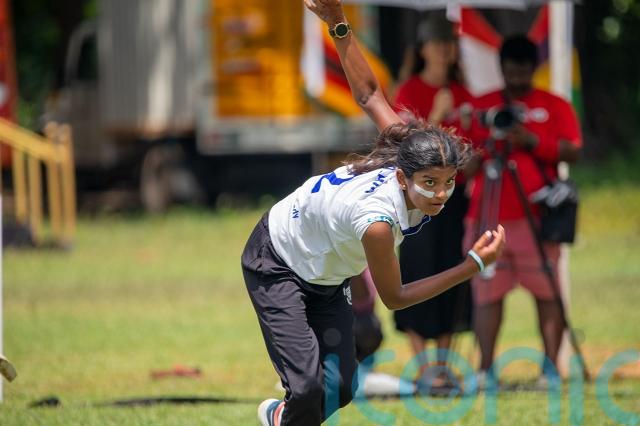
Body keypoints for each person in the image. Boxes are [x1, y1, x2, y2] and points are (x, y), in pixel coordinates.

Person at [243, 1, 506, 425]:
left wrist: (339, 24)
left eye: (448, 182)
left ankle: (279, 419)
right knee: (308, 388)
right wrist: (471, 265)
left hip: (325, 276)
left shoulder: (407, 149)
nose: (440, 194)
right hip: (277, 259)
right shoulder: (378, 222)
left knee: (342, 387)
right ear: (402, 177)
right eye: (430, 183)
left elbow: (369, 94)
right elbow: (395, 297)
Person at [463, 35, 582, 389]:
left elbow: (574, 151)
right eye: (510, 72)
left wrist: (532, 141)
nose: (516, 80)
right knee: (486, 294)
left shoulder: (553, 104)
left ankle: (550, 371)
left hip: (538, 217)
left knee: (547, 291)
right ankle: (485, 371)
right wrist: (488, 143)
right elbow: (463, 167)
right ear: (501, 68)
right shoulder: (482, 106)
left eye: (523, 72)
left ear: (533, 68)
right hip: (487, 216)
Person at [391, 14, 474, 391]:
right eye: (437, 44)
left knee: (450, 269)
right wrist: (438, 117)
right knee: (416, 269)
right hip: (416, 199)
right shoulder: (409, 90)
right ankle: (422, 365)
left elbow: (473, 148)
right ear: (423, 49)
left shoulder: (463, 92)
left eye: (449, 44)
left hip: (453, 200)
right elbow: (403, 146)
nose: (444, 51)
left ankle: (443, 364)